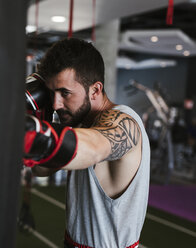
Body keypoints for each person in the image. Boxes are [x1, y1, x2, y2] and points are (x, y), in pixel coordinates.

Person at [23, 38, 150, 248]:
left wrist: (36, 135)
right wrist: (39, 120)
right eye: (51, 93)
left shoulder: (124, 123)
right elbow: (40, 169)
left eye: (65, 93)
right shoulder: (80, 124)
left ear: (95, 90)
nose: (55, 104)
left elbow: (95, 148)